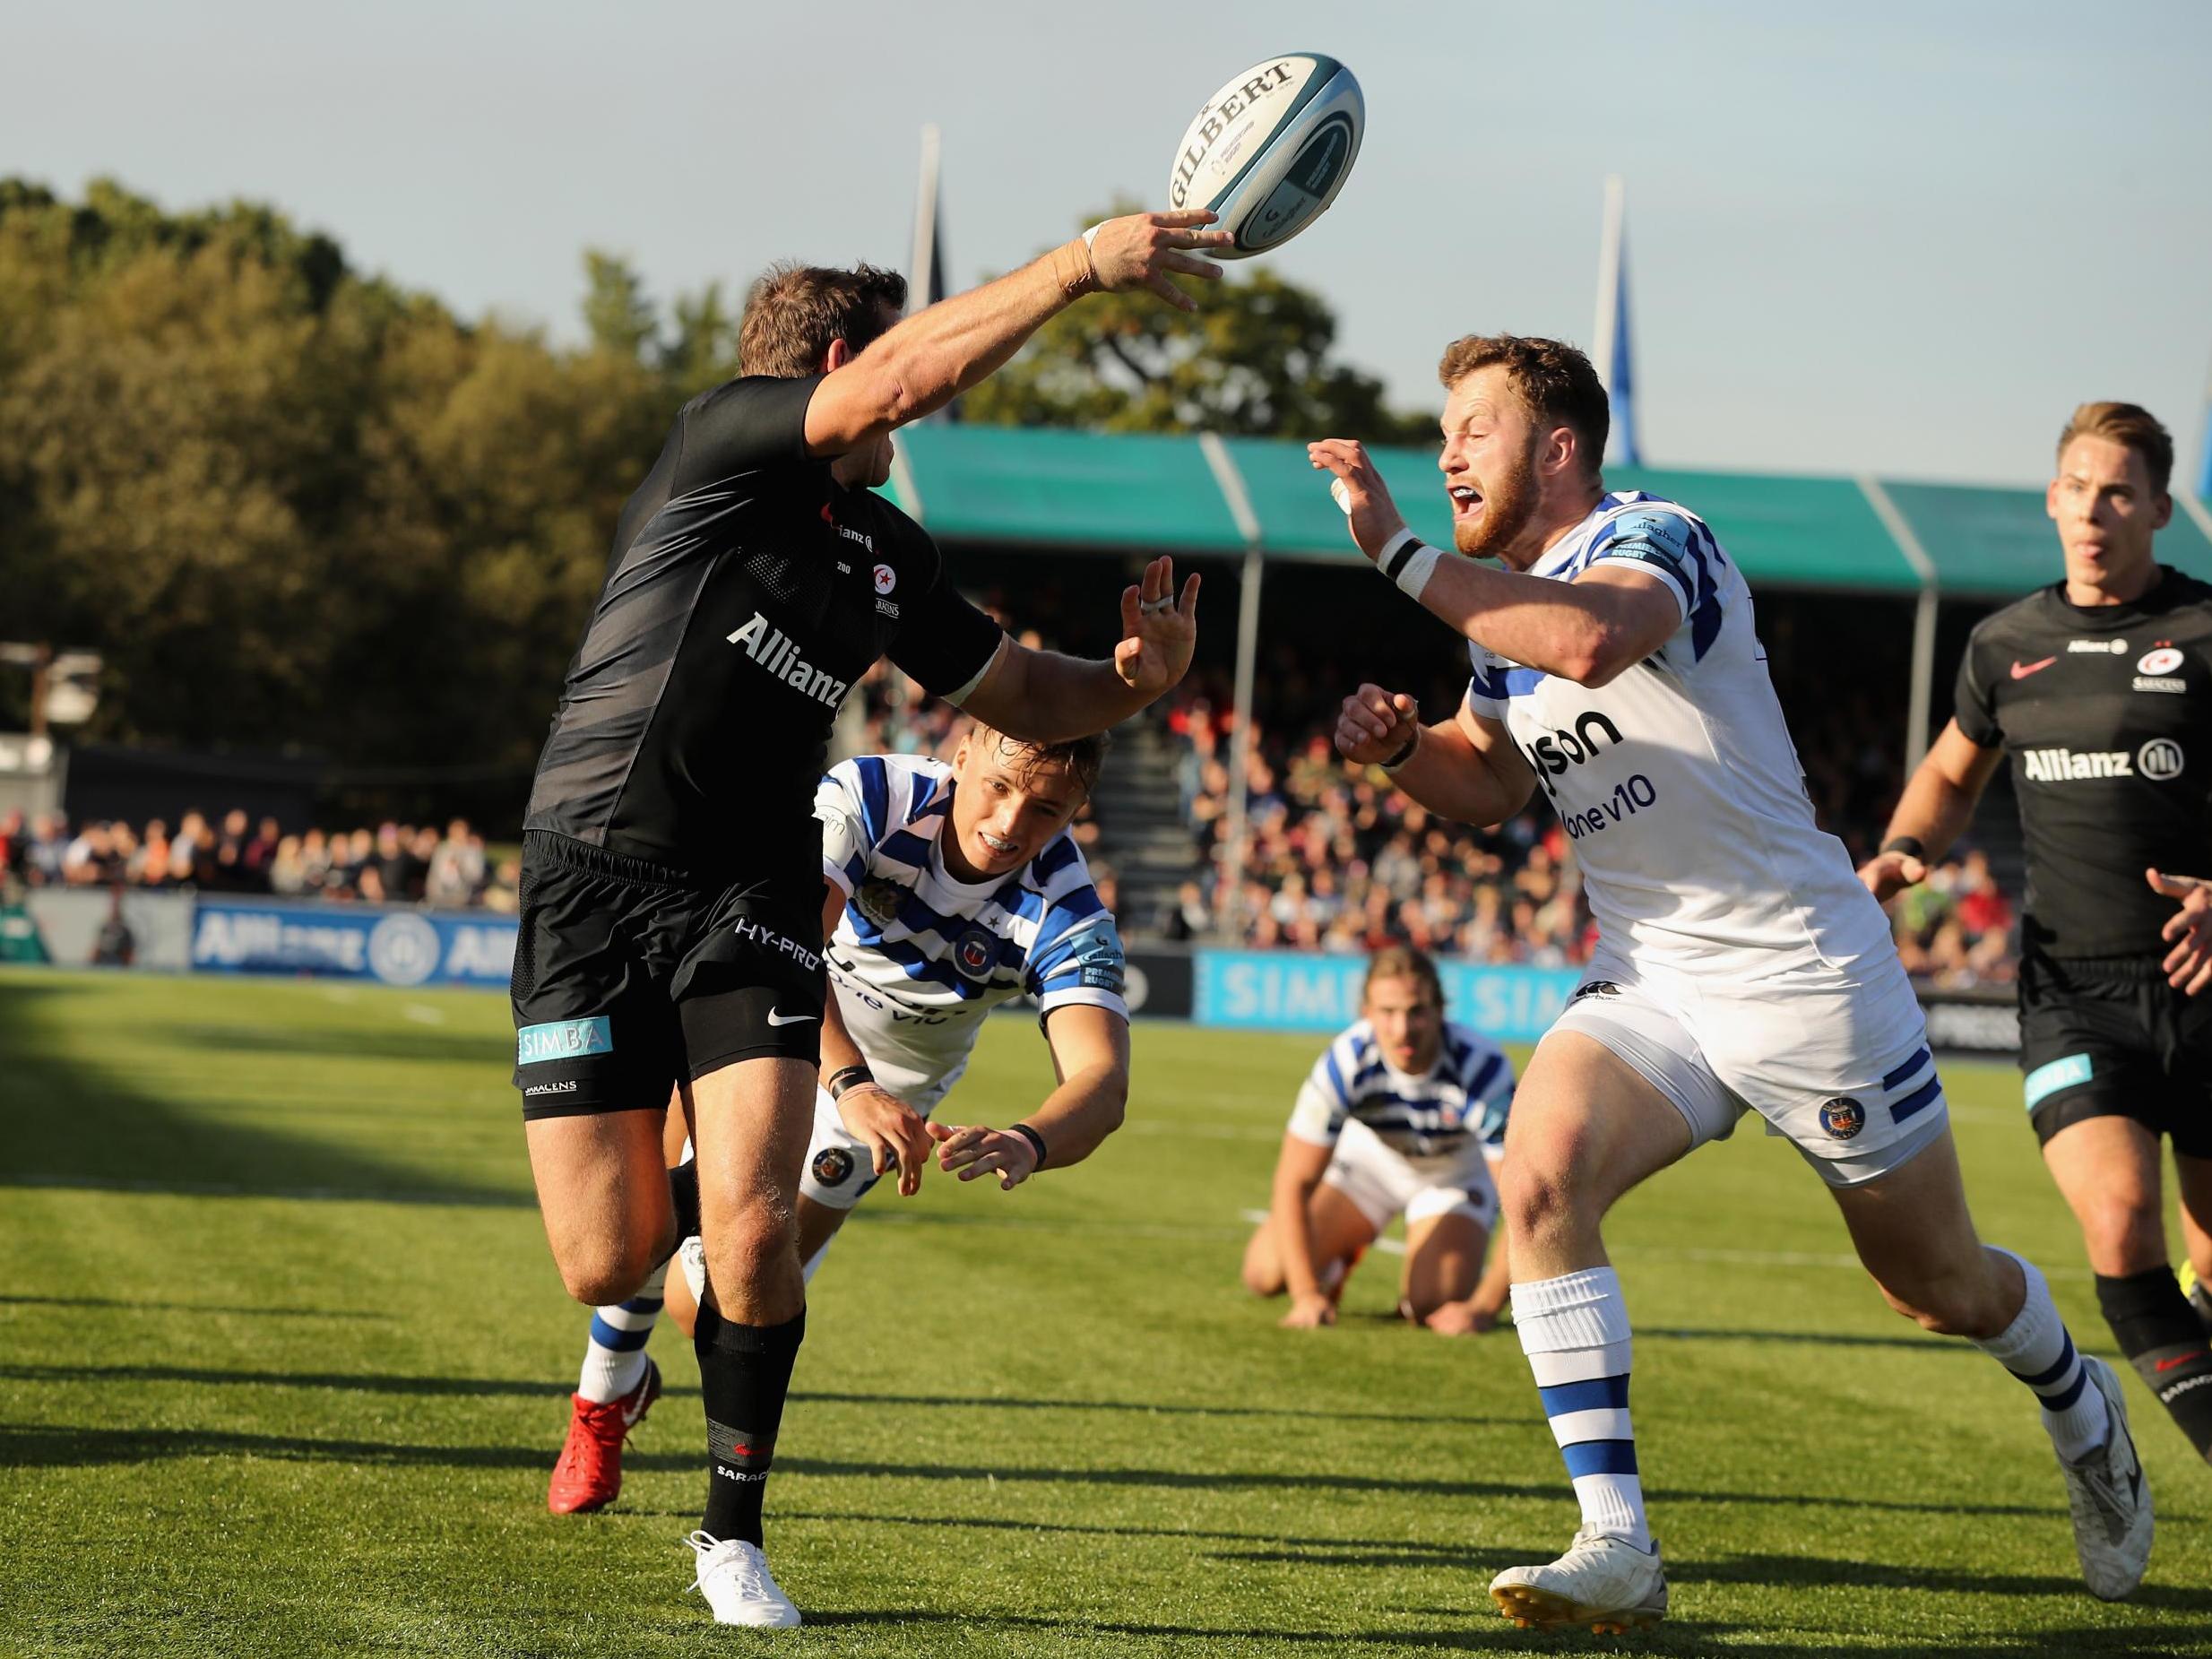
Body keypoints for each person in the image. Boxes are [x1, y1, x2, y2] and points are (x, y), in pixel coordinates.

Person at [1310, 335, 2148, 1633]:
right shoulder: (1496, 610)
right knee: (1536, 1172)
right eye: (1444, 429)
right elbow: (1486, 779)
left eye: (1474, 425)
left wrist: (1398, 554)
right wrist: (1405, 750)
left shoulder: (1659, 536)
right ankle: (1617, 1540)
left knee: (1937, 1287)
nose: (1446, 451)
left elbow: (1595, 644)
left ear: (1560, 447)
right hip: (1650, 974)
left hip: (1804, 975)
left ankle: (2080, 1401)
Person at [512, 212, 1219, 1629]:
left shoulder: (885, 550)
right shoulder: (722, 444)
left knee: (757, 1232)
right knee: (609, 1252)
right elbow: (900, 382)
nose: (931, 400)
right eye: (904, 366)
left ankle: (731, 1533)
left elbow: (1025, 693)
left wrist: (1137, 676)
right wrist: (1079, 265)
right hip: (593, 869)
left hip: (750, 894)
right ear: (842, 362)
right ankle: (618, 1356)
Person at [546, 725, 1130, 1517]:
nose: (1010, 821)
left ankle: (641, 1377)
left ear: (1077, 810)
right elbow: (785, 945)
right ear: (961, 754)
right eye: (998, 785)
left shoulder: (1067, 906)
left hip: (890, 1101)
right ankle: (601, 1402)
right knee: (651, 1196)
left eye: (1047, 808)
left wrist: (1029, 1138)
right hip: (776, 1013)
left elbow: (1101, 1078)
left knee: (713, 1296)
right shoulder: (874, 795)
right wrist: (848, 1078)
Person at [1860, 402, 2212, 1467]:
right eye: (2075, 487)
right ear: (2051, 499)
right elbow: (1948, 775)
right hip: (2070, 989)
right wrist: (1902, 850)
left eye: (2116, 492)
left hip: (2203, 985)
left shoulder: (2203, 633)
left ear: (2158, 506)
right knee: (2114, 1231)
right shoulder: (2005, 644)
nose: (2093, 511)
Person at [1240, 946, 1515, 1335]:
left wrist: (1483, 1307)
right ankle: (1337, 1263)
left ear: (1439, 1010)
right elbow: (1293, 1182)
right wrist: (1305, 1295)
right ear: (1366, 1012)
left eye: (1416, 1011)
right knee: (1264, 1272)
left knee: (1434, 1304)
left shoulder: (1482, 1070)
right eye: (1387, 1013)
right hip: (1370, 1163)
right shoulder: (1345, 1063)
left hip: (1453, 1173)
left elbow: (1525, 1199)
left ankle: (1422, 1279)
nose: (1402, 1030)